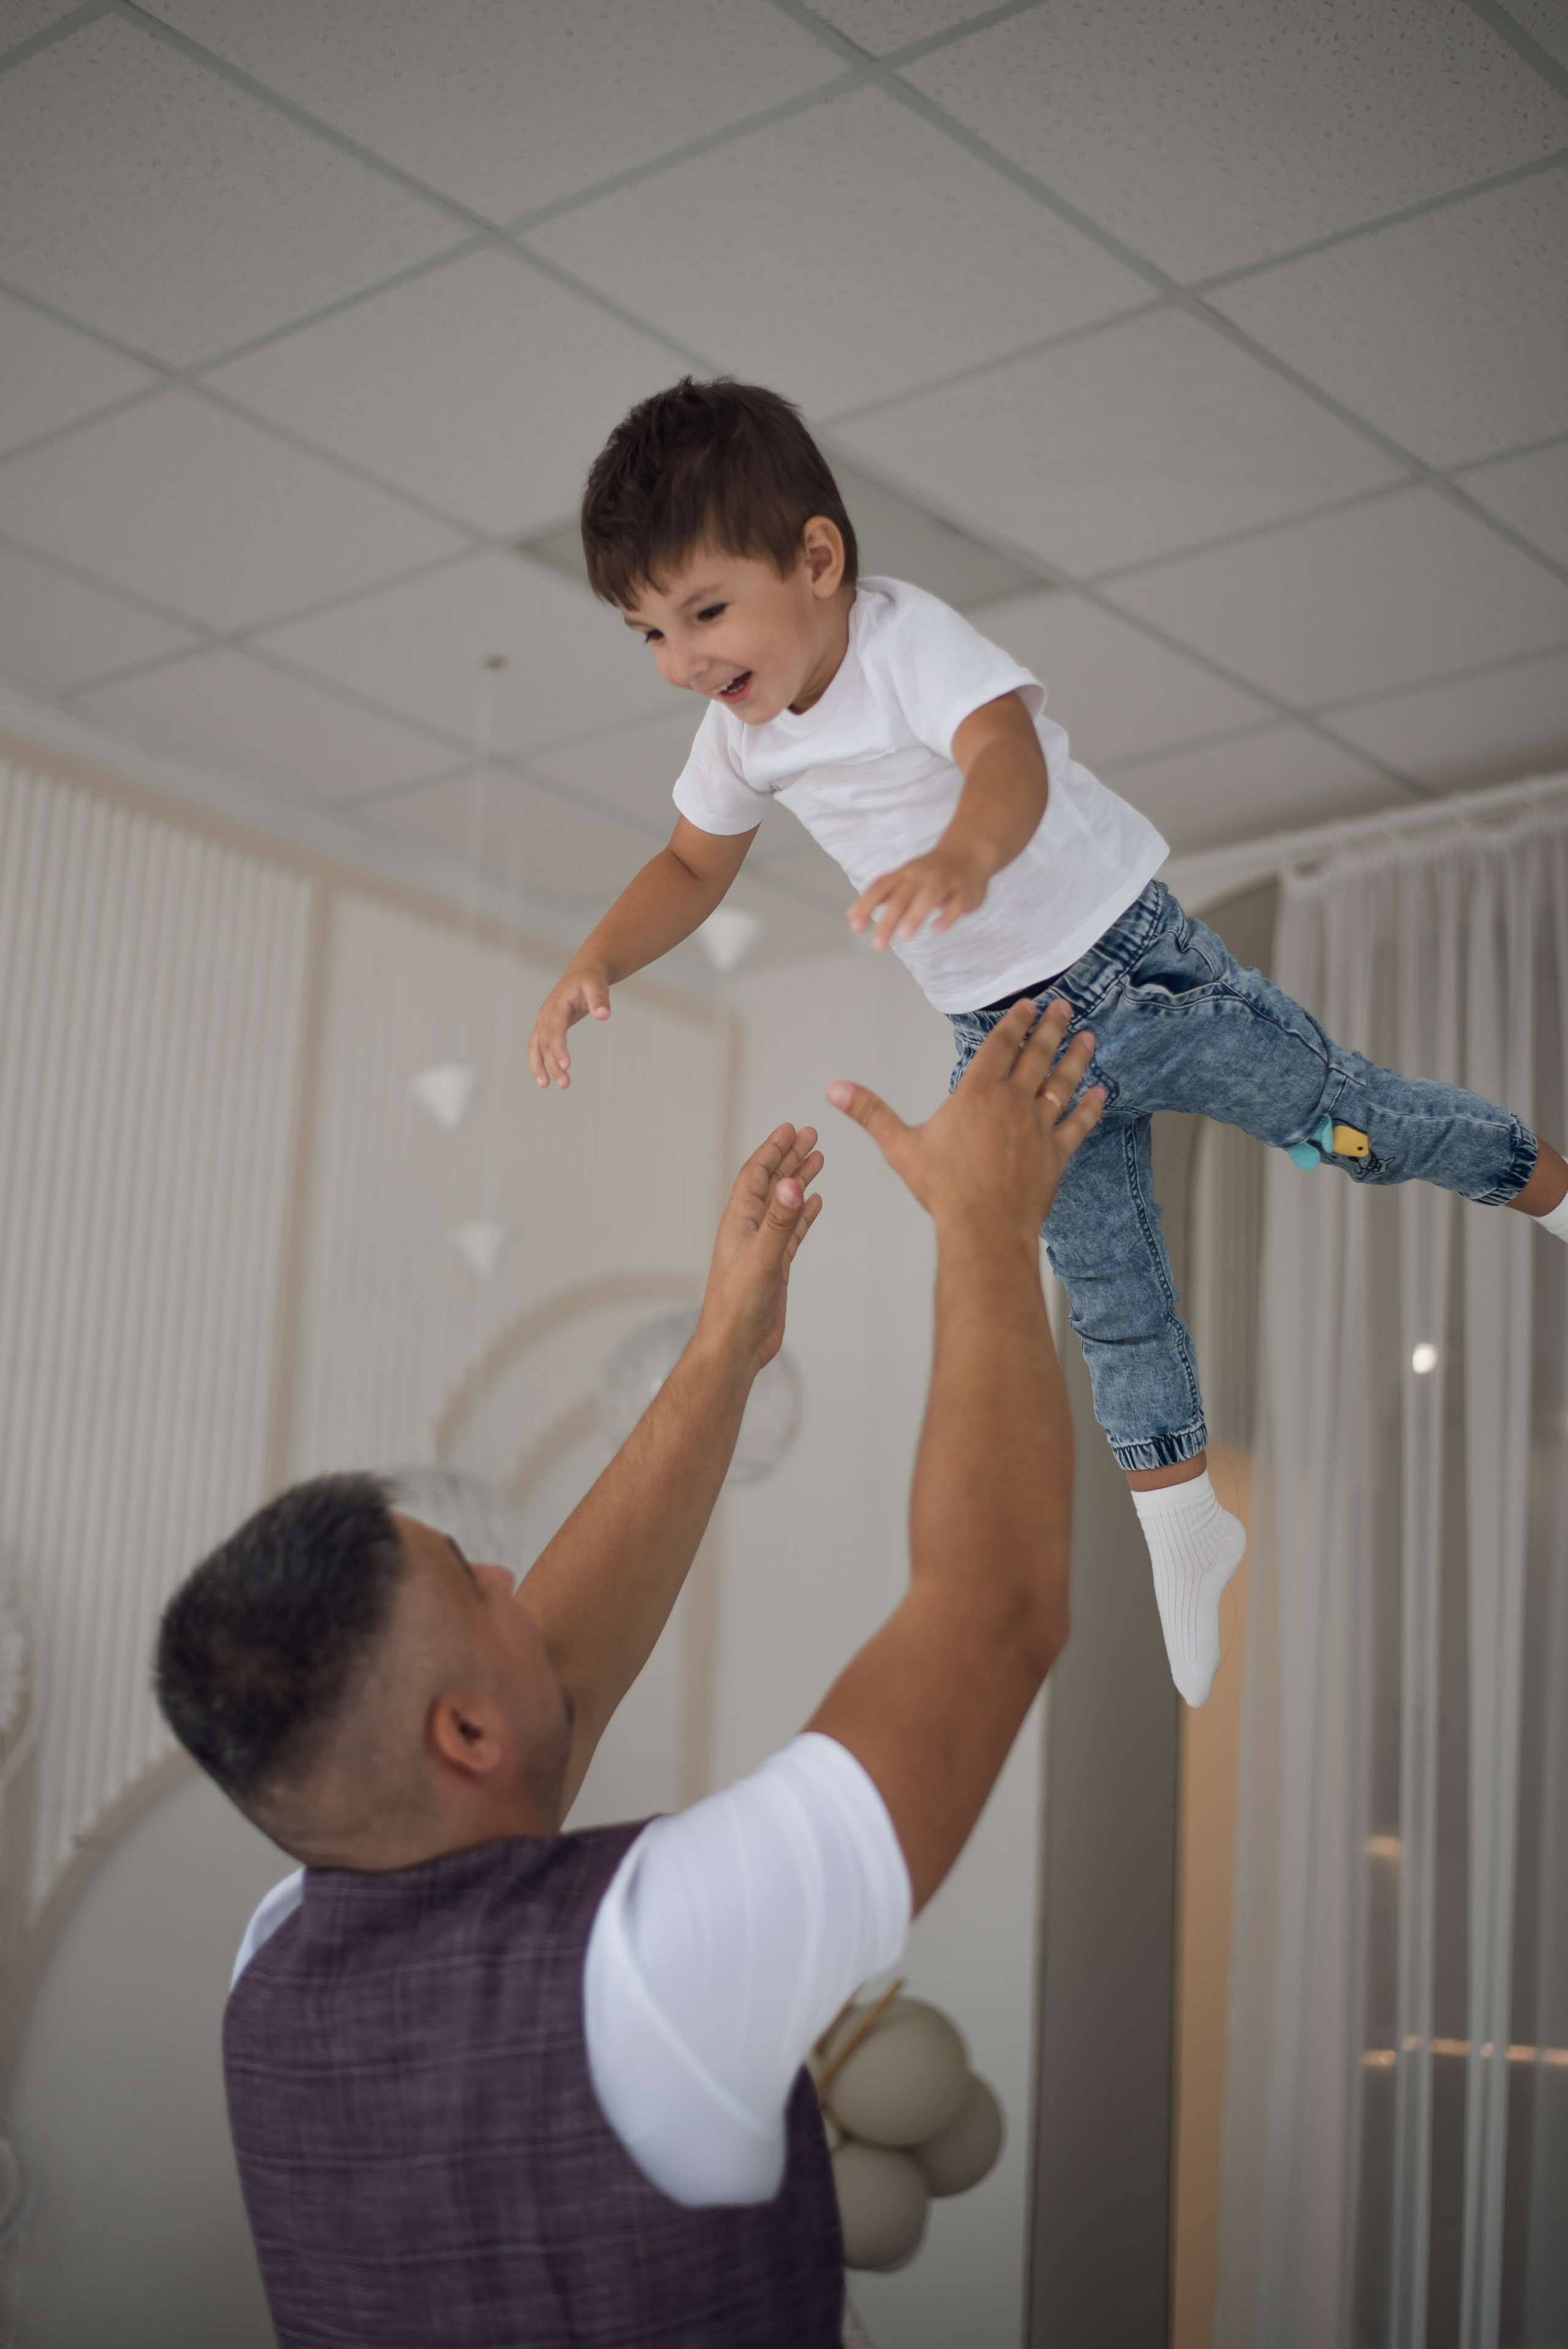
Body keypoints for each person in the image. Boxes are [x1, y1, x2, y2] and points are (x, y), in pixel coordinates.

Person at [526, 375, 1568, 1709]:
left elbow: (1002, 753)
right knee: (1107, 1293)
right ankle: (1179, 1519)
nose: (683, 660)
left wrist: (965, 850)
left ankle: (1539, 1178)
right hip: (1013, 1042)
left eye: (704, 612)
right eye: (648, 634)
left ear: (818, 559)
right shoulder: (736, 739)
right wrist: (593, 959)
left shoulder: (905, 643)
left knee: (1340, 1119)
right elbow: (687, 860)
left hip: (1128, 969)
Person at [155, 997, 1103, 2349]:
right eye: (470, 1578)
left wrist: (723, 1346)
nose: (509, 1580)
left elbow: (552, 1678)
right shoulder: (653, 1968)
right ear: (463, 1730)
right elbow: (995, 1609)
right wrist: (987, 1222)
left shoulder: (277, 1965)